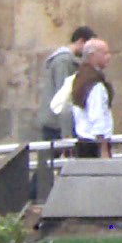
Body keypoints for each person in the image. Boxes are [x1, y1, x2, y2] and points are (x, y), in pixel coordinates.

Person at [39, 23, 98, 155]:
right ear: (81, 41)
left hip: (56, 122)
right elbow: (64, 96)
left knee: (49, 165)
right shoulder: (64, 62)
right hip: (56, 124)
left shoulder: (67, 61)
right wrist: (66, 133)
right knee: (48, 166)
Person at [56, 38, 115, 157]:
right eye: (104, 53)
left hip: (83, 141)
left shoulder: (80, 77)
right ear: (93, 55)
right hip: (94, 145)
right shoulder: (94, 83)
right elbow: (97, 115)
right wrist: (103, 149)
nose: (108, 57)